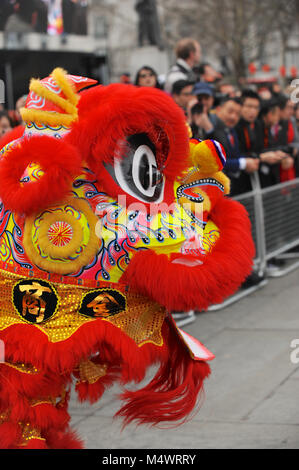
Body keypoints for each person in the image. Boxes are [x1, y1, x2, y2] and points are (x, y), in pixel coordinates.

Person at [210, 97, 259, 193]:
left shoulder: (231, 130)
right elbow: (216, 161)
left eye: (237, 114)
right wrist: (243, 163)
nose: (233, 117)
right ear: (218, 109)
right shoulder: (211, 131)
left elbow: (236, 154)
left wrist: (251, 161)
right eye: (230, 111)